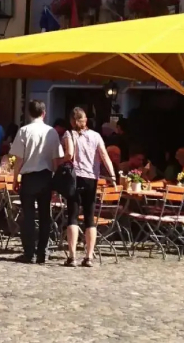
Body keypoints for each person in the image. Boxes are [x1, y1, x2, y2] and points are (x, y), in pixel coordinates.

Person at [61, 107, 117, 268]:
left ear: (72, 121)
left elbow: (69, 154)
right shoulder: (96, 135)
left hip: (75, 177)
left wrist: (60, 161)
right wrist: (113, 176)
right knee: (89, 217)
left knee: (72, 215)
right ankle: (89, 256)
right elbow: (104, 155)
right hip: (91, 179)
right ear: (85, 120)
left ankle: (72, 256)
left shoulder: (69, 134)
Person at [11, 101, 62, 265]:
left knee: (28, 216)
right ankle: (42, 252)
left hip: (29, 177)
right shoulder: (52, 132)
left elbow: (19, 159)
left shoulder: (24, 131)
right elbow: (56, 160)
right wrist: (55, 181)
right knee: (45, 216)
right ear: (44, 113)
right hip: (46, 177)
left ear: (29, 113)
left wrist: (15, 178)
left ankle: (29, 253)